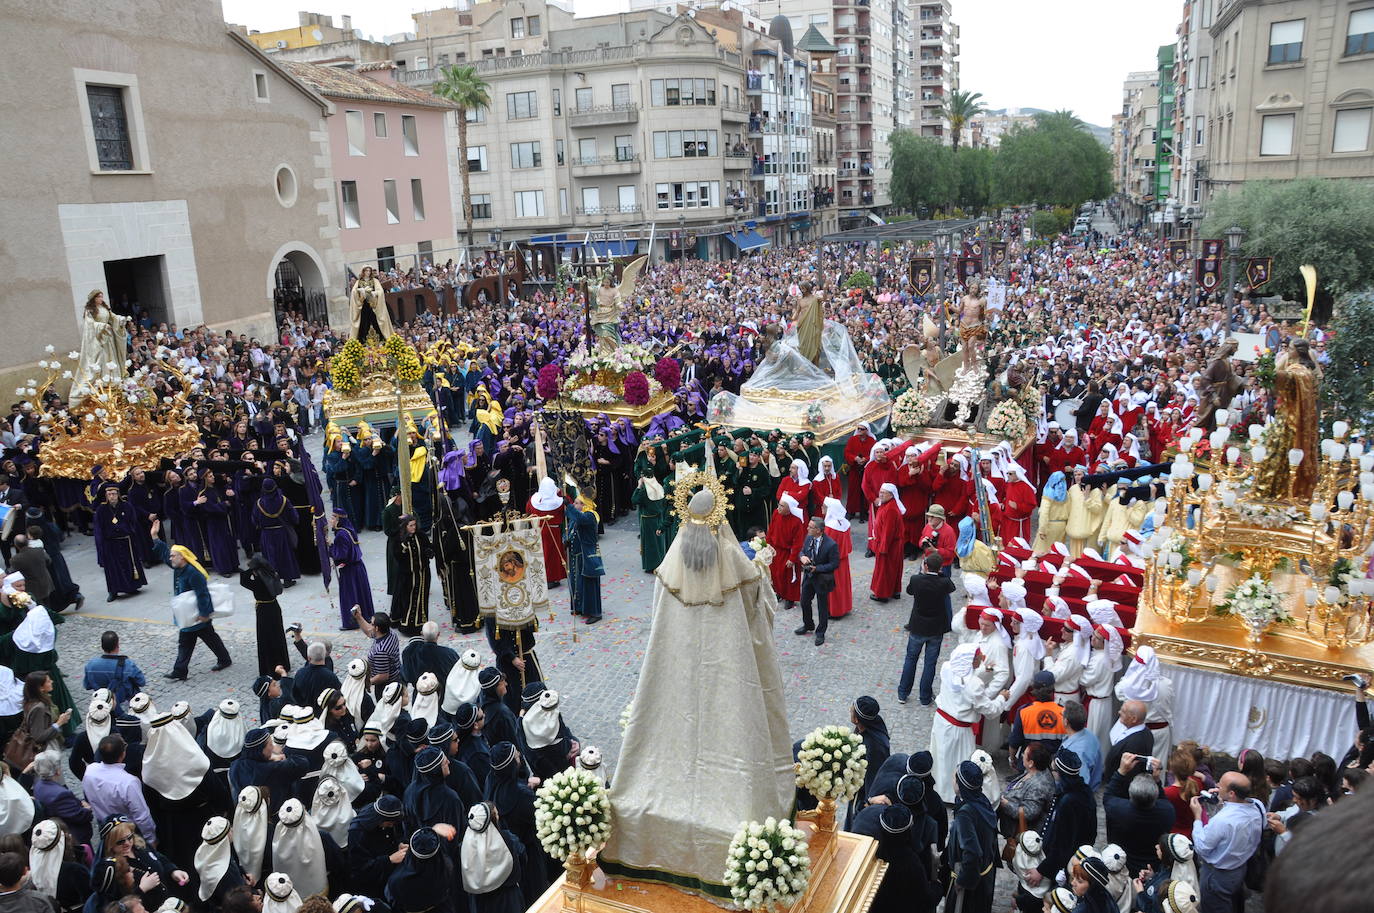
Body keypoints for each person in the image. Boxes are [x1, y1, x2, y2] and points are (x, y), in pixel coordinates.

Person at [600, 485, 792, 897]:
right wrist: (763, 565)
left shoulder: (669, 568)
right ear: (720, 520)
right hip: (731, 672)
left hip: (676, 670)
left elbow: (657, 618)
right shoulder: (738, 567)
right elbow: (759, 613)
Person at [150, 526, 232, 681]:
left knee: (188, 642)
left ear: (182, 558)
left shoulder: (194, 574)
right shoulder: (179, 567)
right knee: (206, 638)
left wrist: (204, 613)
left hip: (195, 616)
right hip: (190, 615)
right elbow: (165, 555)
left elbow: (203, 595)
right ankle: (223, 659)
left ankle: (181, 670)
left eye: (173, 556)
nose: (170, 558)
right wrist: (155, 537)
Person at [1019, 750, 1097, 911]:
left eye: (1053, 770)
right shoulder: (1081, 792)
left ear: (1060, 773)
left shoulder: (1070, 802)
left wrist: (1042, 871)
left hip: (1061, 868)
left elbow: (1063, 845)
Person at [1190, 772, 1265, 913]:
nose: (1217, 785)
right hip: (1240, 867)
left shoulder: (1223, 820)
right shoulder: (1258, 806)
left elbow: (1202, 847)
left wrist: (1197, 817)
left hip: (1218, 874)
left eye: (1221, 784)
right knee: (1233, 900)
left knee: (1215, 906)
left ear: (1231, 793)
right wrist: (1220, 803)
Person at [1104, 752, 1176, 875]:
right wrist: (1157, 780)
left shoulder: (1118, 810)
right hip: (1152, 865)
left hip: (1123, 864)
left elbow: (1108, 796)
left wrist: (1121, 771)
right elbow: (1164, 800)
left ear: (1130, 795)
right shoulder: (1167, 812)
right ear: (1155, 795)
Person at [898, 553, 955, 706]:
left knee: (911, 659)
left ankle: (903, 693)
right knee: (930, 663)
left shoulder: (916, 580)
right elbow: (952, 587)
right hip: (936, 628)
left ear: (925, 566)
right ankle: (924, 696)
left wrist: (923, 573)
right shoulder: (943, 582)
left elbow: (910, 591)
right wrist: (940, 574)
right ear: (940, 568)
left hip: (918, 626)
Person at [943, 760, 998, 913]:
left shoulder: (966, 814)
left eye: (955, 777)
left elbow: (973, 852)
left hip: (971, 885)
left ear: (960, 785)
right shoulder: (980, 799)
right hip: (984, 875)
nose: (952, 779)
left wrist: (962, 881)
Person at [81, 735, 156, 843]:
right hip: (128, 833)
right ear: (123, 754)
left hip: (105, 827)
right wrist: (150, 839)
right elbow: (141, 815)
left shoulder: (90, 770)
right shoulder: (129, 782)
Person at [239, 553, 289, 676]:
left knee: (266, 639)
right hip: (274, 607)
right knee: (278, 636)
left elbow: (243, 581)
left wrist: (250, 569)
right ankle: (283, 663)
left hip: (263, 610)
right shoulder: (272, 575)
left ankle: (270, 666)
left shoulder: (258, 582)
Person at [794, 517, 839, 646]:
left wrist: (817, 568)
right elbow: (802, 551)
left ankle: (821, 633)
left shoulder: (831, 544)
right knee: (804, 601)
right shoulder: (809, 538)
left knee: (822, 607)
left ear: (819, 530)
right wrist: (802, 556)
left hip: (821, 579)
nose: (807, 529)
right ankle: (808, 624)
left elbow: (834, 564)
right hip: (809, 577)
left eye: (810, 527)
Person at [31, 752, 92, 846]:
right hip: (74, 836)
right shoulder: (61, 794)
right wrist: (87, 809)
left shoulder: (38, 786)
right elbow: (79, 815)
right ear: (57, 771)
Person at [563, 491, 604, 624]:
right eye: (574, 503)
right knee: (577, 583)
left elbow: (580, 519)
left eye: (576, 503)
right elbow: (570, 528)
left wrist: (568, 506)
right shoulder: (579, 515)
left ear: (584, 504)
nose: (574, 505)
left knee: (589, 583)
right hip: (577, 557)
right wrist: (567, 540)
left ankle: (595, 612)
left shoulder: (590, 516)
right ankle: (580, 607)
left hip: (587, 556)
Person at [998, 742, 1056, 835]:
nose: (1022, 756)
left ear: (1031, 763)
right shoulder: (1033, 771)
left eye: (1024, 754)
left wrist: (1006, 804)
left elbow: (1028, 813)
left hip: (1022, 834)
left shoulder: (1040, 786)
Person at [82, 631, 146, 714]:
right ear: (117, 645)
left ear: (102, 646)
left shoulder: (90, 665)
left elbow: (87, 685)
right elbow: (141, 682)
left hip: (102, 705)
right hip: (123, 705)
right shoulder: (128, 664)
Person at [330, 509, 374, 630]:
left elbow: (341, 555)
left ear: (339, 520)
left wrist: (330, 548)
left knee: (350, 596)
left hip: (350, 570)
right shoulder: (348, 529)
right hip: (358, 567)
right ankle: (366, 616)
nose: (331, 520)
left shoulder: (340, 535)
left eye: (333, 518)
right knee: (360, 593)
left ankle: (351, 622)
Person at [389, 515, 432, 636]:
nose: (414, 527)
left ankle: (420, 624)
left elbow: (428, 547)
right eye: (411, 525)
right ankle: (408, 626)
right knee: (408, 600)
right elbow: (397, 555)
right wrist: (405, 545)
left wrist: (429, 551)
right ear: (405, 527)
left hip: (422, 574)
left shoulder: (421, 535)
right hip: (407, 575)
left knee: (421, 599)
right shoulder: (399, 539)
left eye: (414, 525)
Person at [869, 484, 905, 602]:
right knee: (893, 568)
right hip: (891, 544)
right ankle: (895, 591)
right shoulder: (887, 505)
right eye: (880, 492)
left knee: (885, 569)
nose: (881, 494)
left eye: (884, 493)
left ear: (891, 495)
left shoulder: (890, 509)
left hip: (889, 544)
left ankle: (882, 594)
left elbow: (887, 531)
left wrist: (883, 547)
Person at [1104, 700, 1155, 779]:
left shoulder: (1135, 743)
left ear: (1134, 719)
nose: (1119, 712)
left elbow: (1129, 774)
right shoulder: (1138, 731)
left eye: (1123, 712)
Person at [1061, 701, 1104, 792]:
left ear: (1065, 722)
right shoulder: (1089, 734)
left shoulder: (1076, 753)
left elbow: (1080, 786)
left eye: (1061, 715)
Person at [293, 642, 342, 710]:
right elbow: (339, 695)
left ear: (309, 658)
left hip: (305, 712)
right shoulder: (330, 676)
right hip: (323, 712)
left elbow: (295, 694)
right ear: (324, 656)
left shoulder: (300, 673)